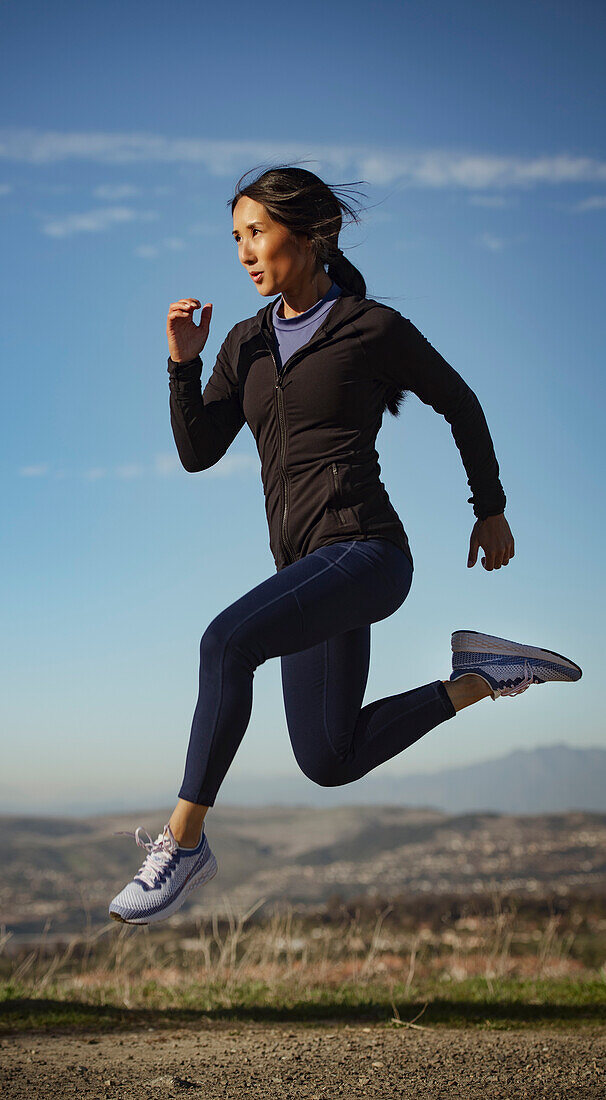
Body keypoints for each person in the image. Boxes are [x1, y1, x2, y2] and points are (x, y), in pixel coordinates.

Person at [108, 164, 582, 926]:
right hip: (307, 574)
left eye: (256, 233)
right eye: (236, 238)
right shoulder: (244, 344)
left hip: (366, 554)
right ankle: (484, 676)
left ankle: (182, 843)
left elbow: (461, 403)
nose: (243, 252)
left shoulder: (370, 327)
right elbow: (198, 451)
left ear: (311, 234)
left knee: (224, 643)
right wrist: (183, 363)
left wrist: (488, 510)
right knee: (329, 758)